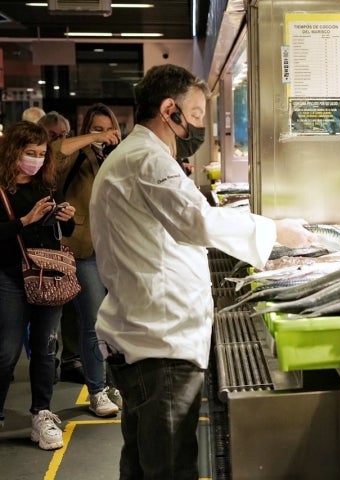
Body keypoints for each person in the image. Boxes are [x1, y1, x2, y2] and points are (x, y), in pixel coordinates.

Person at [89, 64, 317, 480]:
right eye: (195, 116)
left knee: (142, 463)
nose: (199, 127)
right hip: (160, 344)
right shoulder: (146, 159)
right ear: (168, 110)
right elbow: (197, 221)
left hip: (147, 335)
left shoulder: (139, 156)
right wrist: (274, 230)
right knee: (170, 468)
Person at [0, 121, 77, 450]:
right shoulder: (3, 190)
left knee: (46, 348)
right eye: (29, 153)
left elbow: (67, 231)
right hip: (10, 277)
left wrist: (66, 216)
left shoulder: (47, 185)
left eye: (41, 154)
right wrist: (25, 221)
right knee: (7, 352)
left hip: (50, 277)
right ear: (13, 152)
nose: (35, 159)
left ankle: (42, 413)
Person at [53, 103, 123, 417]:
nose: (108, 134)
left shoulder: (119, 156)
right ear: (86, 129)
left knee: (118, 324)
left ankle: (113, 385)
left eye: (111, 128)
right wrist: (91, 139)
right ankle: (97, 391)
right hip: (85, 250)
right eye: (99, 128)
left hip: (119, 251)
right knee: (93, 323)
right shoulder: (76, 155)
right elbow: (54, 152)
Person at [38, 110, 84, 385]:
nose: (58, 141)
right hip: (25, 256)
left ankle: (57, 364)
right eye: (53, 135)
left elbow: (66, 226)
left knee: (63, 313)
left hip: (59, 248)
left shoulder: (67, 165)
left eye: (63, 135)